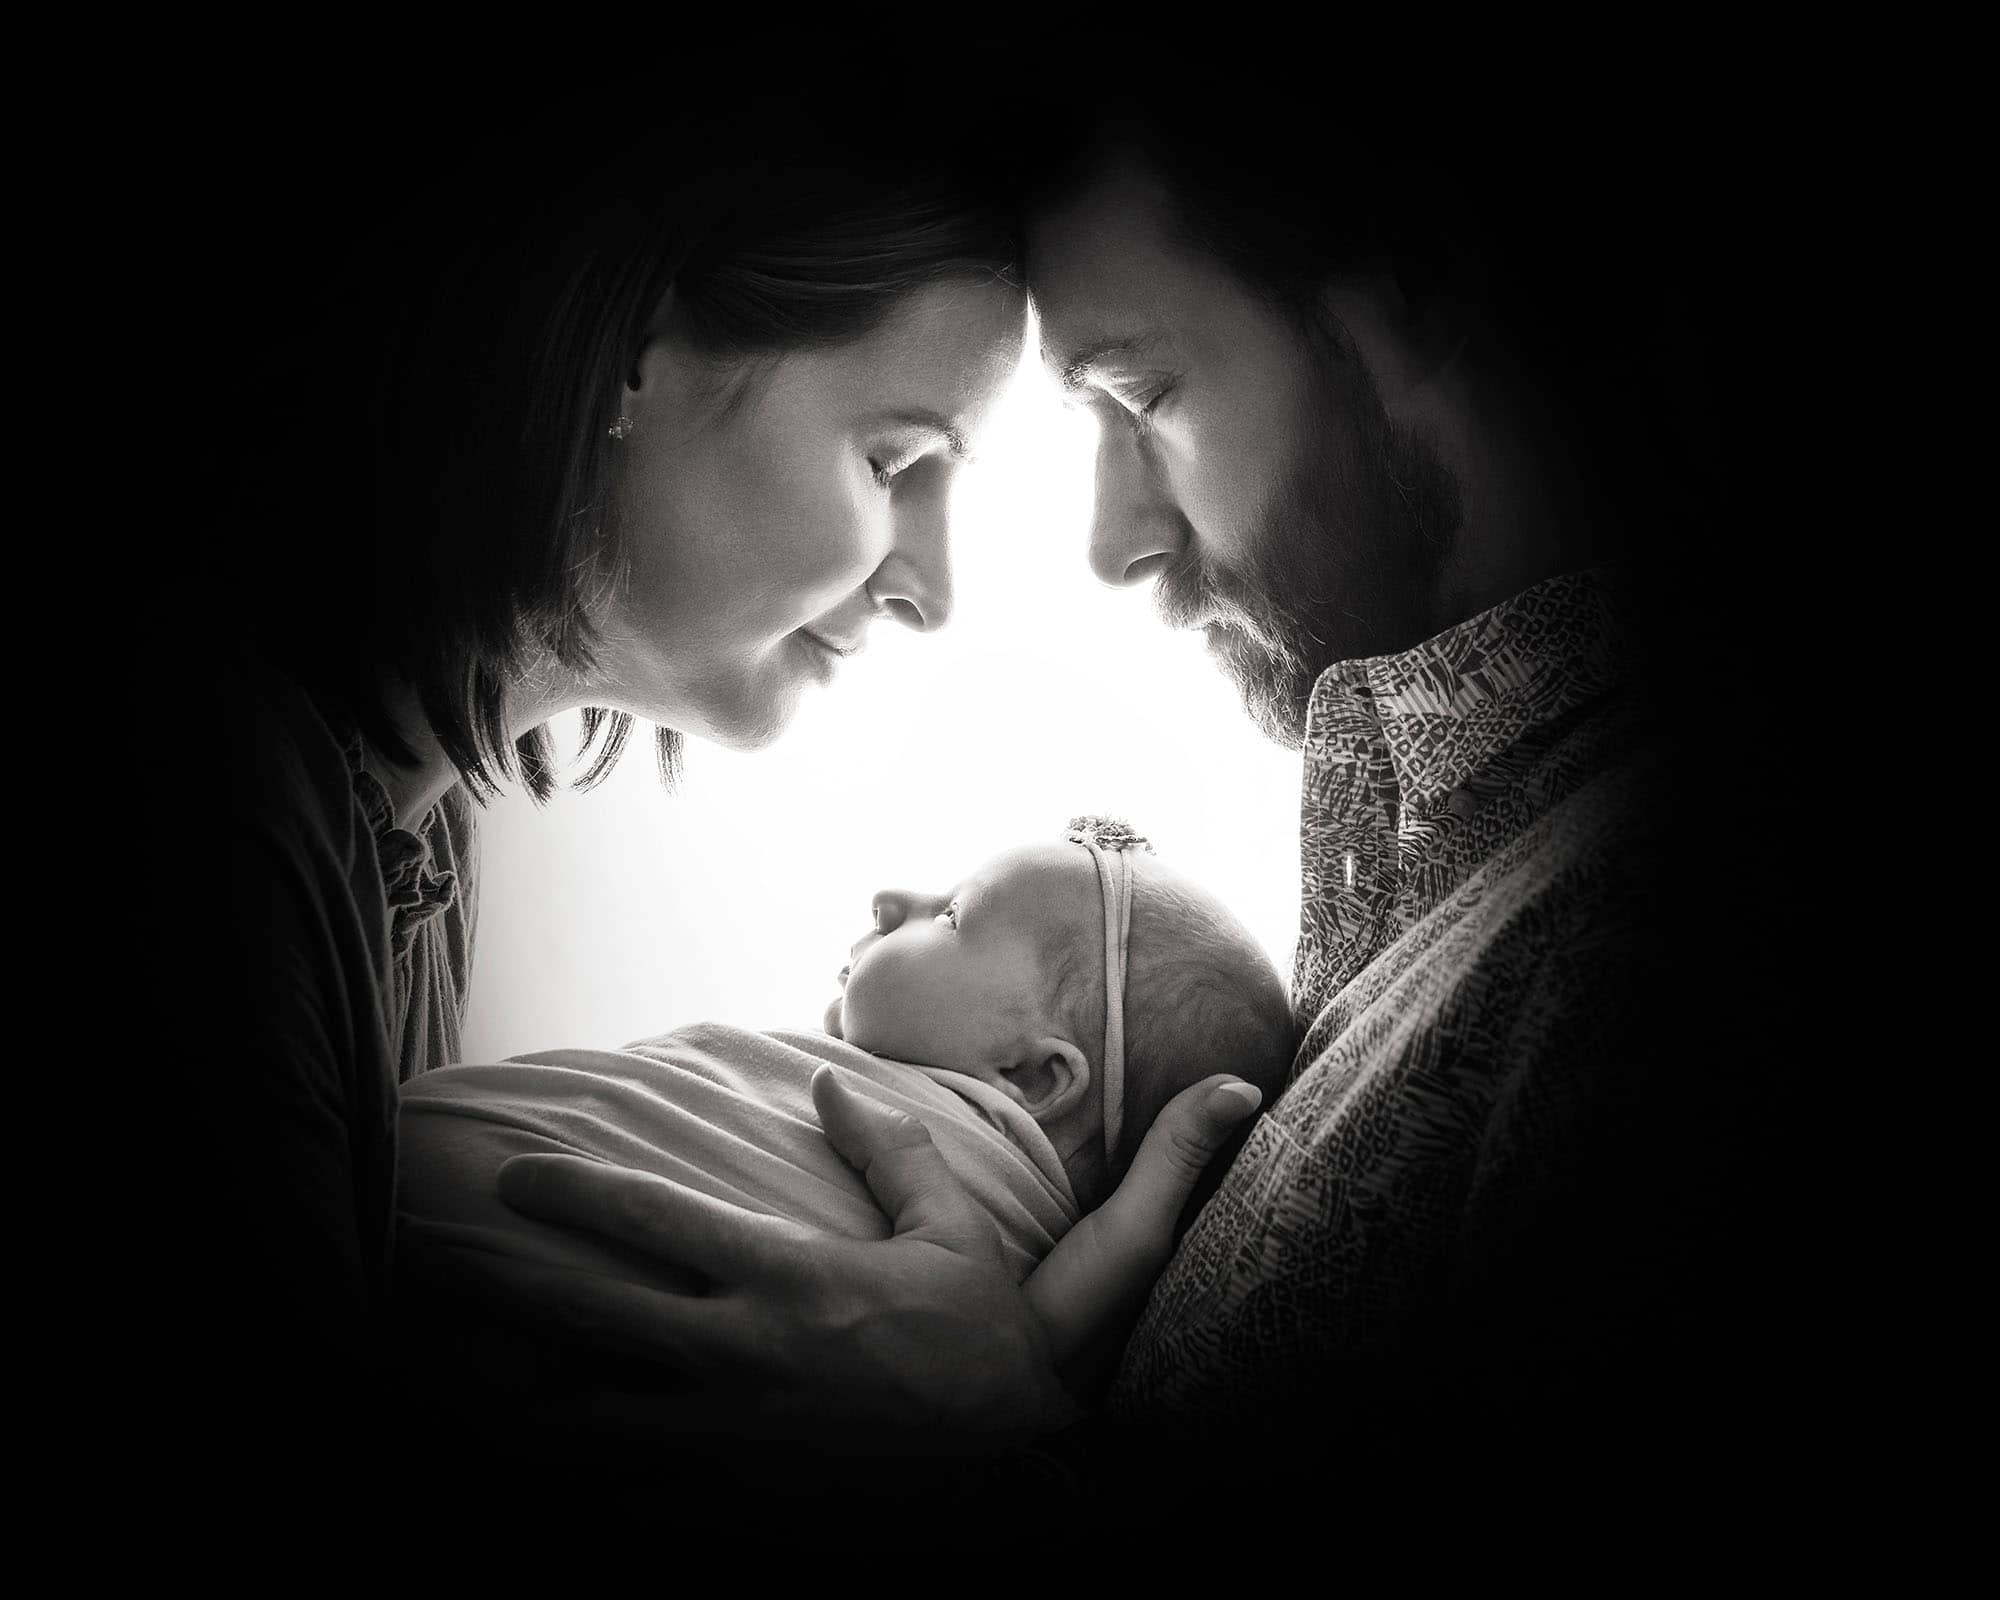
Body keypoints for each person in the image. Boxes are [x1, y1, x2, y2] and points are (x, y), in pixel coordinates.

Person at [482, 92, 1784, 1495]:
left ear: (1414, 276)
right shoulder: (1446, 889)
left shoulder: (1650, 946)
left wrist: (976, 1442)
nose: (1112, 545)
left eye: (1145, 399)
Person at [144, 97, 1269, 1512]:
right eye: (892, 462)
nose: (927, 592)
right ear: (628, 353)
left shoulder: (413, 845)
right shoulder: (213, 825)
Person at [393, 819, 1294, 1419]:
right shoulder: (1013, 1319)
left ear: (1031, 1076)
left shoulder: (952, 1209)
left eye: (952, 916)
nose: (891, 900)